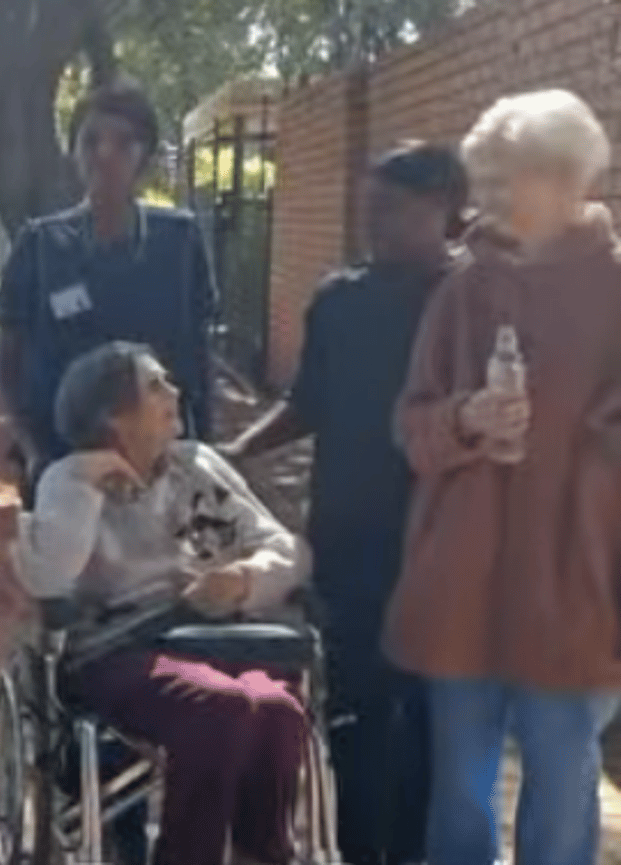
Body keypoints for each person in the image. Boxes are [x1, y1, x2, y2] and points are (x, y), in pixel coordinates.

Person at [389, 88, 621, 865]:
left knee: (561, 786)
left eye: (500, 180)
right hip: (466, 585)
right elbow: (411, 424)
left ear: (563, 178)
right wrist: (464, 419)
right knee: (460, 788)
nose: (482, 200)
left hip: (577, 587)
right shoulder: (462, 289)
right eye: (480, 180)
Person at [223, 141, 467, 865]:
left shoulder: (473, 300)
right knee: (355, 720)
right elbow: (307, 402)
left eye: (390, 209)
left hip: (444, 551)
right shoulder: (339, 300)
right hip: (349, 545)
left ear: (443, 209)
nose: (374, 224)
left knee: (430, 724)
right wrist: (240, 453)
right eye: (369, 209)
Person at [14, 341, 312, 865]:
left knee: (278, 706)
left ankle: (260, 855)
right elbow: (51, 577)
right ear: (112, 415)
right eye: (155, 385)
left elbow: (284, 549)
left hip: (213, 638)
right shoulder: (69, 480)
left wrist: (244, 578)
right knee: (222, 703)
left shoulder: (195, 466)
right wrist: (88, 481)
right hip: (117, 652)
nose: (175, 392)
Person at [0, 79, 219, 504]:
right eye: (91, 140)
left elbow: (199, 358)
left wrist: (204, 448)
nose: (105, 154)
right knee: (68, 567)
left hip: (162, 467)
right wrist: (31, 449)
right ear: (73, 153)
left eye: (124, 143)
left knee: (170, 569)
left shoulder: (180, 242)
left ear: (145, 158)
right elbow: (8, 365)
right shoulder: (39, 247)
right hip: (64, 464)